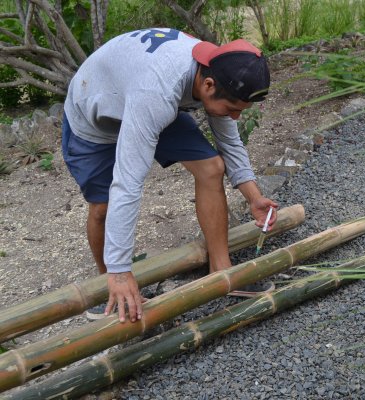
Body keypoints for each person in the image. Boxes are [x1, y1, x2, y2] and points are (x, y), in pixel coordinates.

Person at [61, 28, 278, 324]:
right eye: (232, 109)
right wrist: (121, 269)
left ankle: (223, 272)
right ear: (208, 84)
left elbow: (229, 143)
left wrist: (254, 197)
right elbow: (128, 182)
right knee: (104, 206)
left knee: (211, 167)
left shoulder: (220, 66)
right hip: (95, 116)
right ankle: (108, 286)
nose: (236, 116)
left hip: (143, 97)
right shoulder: (158, 92)